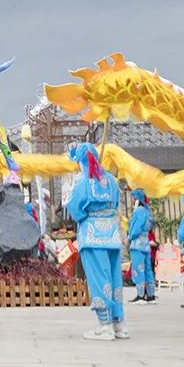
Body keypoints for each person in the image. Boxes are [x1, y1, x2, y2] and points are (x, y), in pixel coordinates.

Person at [66, 142, 126, 341]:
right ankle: (119, 324)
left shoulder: (84, 182)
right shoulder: (110, 180)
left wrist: (84, 214)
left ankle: (105, 325)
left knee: (99, 279)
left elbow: (75, 208)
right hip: (112, 234)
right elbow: (117, 202)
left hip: (92, 235)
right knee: (115, 279)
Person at [127, 189, 155, 305]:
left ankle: (140, 295)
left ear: (137, 198)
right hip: (145, 243)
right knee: (148, 269)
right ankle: (150, 294)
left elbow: (136, 228)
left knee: (138, 269)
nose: (131, 199)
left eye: (132, 197)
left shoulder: (138, 211)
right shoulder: (147, 211)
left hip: (137, 243)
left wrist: (129, 237)